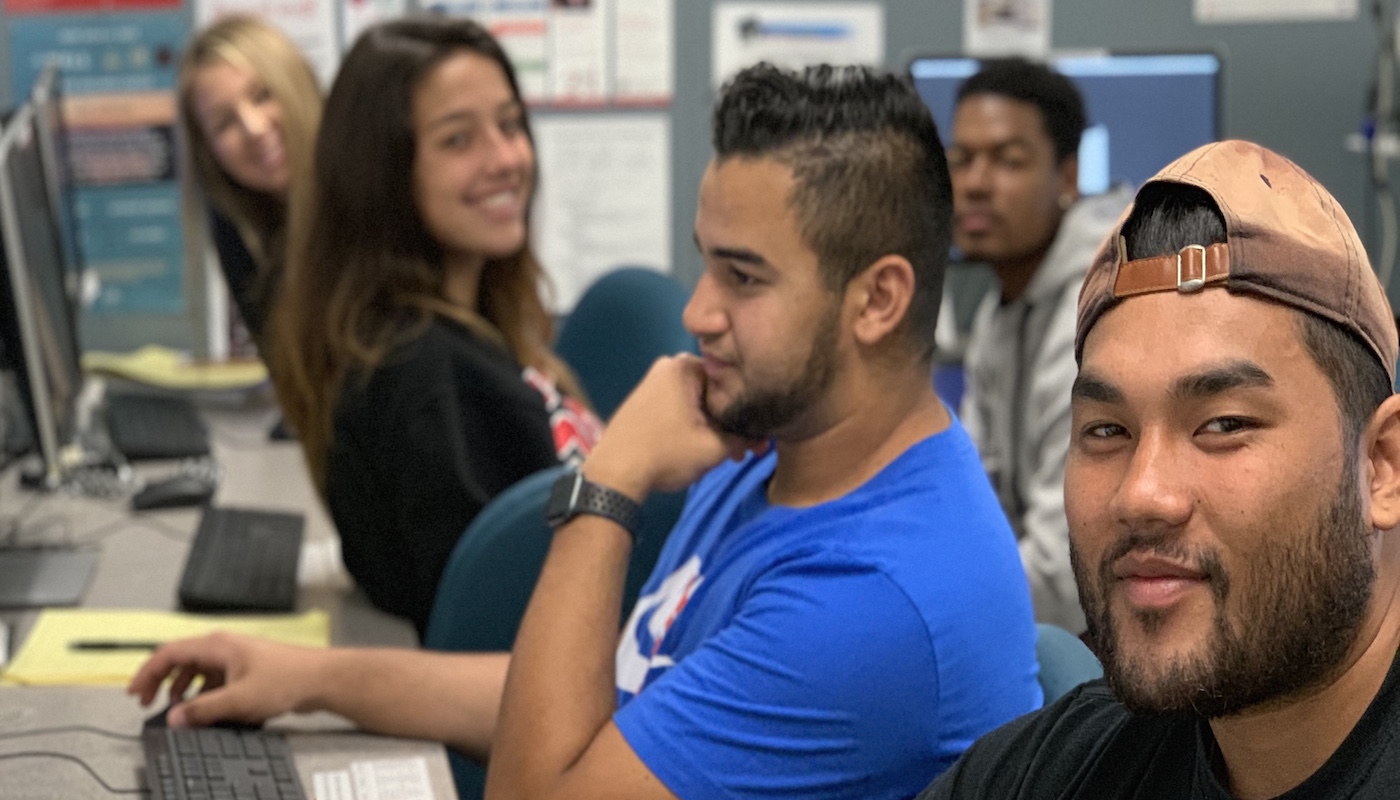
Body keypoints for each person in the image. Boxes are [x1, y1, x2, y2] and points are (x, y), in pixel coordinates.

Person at [130, 62, 1042, 799]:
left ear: (877, 299)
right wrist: (308, 679)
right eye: (704, 265)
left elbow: (535, 788)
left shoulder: (872, 603)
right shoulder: (786, 445)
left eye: (743, 277)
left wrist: (608, 484)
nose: (698, 312)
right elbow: (602, 704)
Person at [919, 140, 1400, 799]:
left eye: (1223, 425)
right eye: (1107, 431)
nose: (1142, 494)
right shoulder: (1053, 771)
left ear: (1382, 465)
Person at [268, 17, 601, 636]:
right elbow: (495, 631)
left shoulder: (465, 331)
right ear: (383, 175)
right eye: (458, 140)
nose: (506, 158)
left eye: (509, 125)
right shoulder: (423, 375)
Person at [949, 57, 1133, 633]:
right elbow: (975, 501)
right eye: (961, 159)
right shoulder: (1000, 310)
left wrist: (933, 597)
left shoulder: (1102, 307)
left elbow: (1065, 579)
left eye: (1008, 160)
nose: (975, 183)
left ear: (1068, 177)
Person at [178, 14, 320, 344]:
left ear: (296, 84)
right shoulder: (240, 231)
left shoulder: (372, 198)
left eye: (263, 95)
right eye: (225, 123)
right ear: (209, 154)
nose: (254, 128)